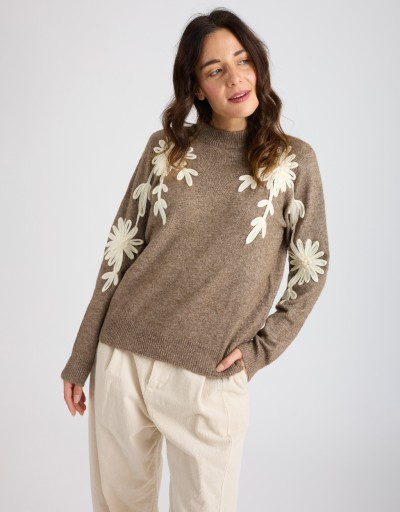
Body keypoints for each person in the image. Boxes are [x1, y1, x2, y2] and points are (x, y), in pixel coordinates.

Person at [61, 7, 330, 512]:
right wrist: (82, 355)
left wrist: (259, 352)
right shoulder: (165, 148)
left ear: (258, 66)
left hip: (211, 374)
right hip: (123, 355)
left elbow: (310, 271)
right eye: (215, 69)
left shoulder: (293, 162)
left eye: (243, 60)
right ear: (197, 87)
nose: (235, 78)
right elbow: (120, 249)